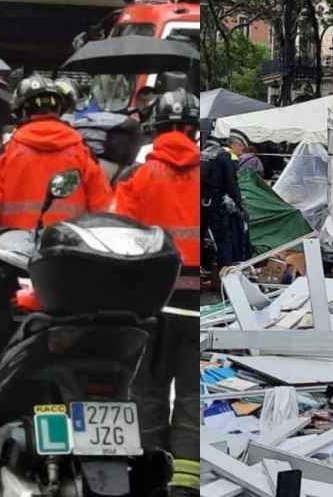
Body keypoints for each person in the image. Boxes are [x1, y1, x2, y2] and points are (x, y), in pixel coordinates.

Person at [0, 74, 111, 478]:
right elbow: (106, 215)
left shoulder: (9, 155)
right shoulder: (82, 155)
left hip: (12, 278)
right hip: (74, 284)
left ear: (21, 112)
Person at [113, 89, 201, 497]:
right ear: (192, 129)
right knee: (189, 393)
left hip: (150, 303)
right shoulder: (209, 171)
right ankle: (185, 482)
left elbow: (120, 241)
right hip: (197, 306)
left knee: (146, 391)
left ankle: (148, 476)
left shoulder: (136, 177)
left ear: (159, 128)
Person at [200, 135, 246, 280]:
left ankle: (202, 267)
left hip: (199, 201)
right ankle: (225, 275)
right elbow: (231, 183)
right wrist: (240, 204)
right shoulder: (223, 156)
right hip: (215, 202)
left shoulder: (201, 155)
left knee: (199, 236)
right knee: (223, 238)